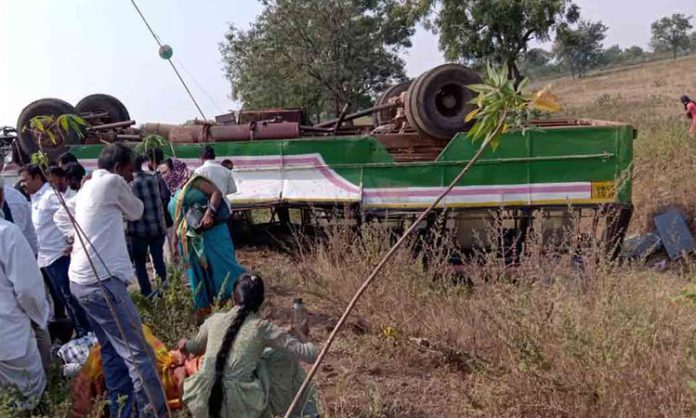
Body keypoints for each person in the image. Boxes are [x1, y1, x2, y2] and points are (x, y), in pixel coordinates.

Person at [54, 143, 168, 418]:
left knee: (112, 350)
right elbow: (137, 211)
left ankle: (122, 410)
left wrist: (79, 238)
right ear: (118, 168)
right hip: (102, 283)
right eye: (130, 171)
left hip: (80, 283)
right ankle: (153, 412)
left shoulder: (87, 188)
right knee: (139, 353)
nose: (132, 177)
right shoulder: (112, 182)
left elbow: (60, 215)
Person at [178, 274, 319, 418]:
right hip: (240, 406)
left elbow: (193, 346)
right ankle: (308, 414)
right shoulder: (262, 328)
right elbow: (310, 354)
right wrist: (301, 334)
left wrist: (184, 345)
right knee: (283, 358)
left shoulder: (214, 320)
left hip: (201, 400)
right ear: (261, 302)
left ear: (234, 297)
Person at [21, 165, 92, 338]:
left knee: (70, 297)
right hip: (45, 258)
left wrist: (73, 240)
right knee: (62, 298)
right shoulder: (35, 198)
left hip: (58, 256)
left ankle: (86, 333)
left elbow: (73, 211)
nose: (23, 184)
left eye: (26, 179)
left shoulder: (49, 196)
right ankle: (81, 332)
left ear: (38, 178)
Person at [0, 190, 50, 411]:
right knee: (27, 403)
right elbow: (28, 291)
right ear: (1, 196)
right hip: (10, 338)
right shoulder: (7, 234)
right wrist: (40, 318)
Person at [169, 173, 246, 313]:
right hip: (189, 239)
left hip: (211, 232)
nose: (164, 176)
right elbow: (177, 218)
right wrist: (174, 241)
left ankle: (236, 301)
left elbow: (216, 192)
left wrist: (209, 213)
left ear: (176, 169)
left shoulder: (195, 181)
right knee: (197, 273)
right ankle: (205, 308)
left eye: (166, 172)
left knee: (221, 267)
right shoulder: (173, 189)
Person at [127, 155, 168, 297]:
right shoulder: (153, 179)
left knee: (140, 265)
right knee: (158, 261)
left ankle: (147, 294)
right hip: (157, 228)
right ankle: (164, 290)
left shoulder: (130, 184)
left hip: (139, 231)